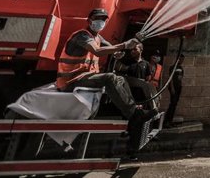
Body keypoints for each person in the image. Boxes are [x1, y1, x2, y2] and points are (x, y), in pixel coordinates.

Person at [56, 8, 156, 153]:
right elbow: (96, 51)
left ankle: (134, 109)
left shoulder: (98, 37)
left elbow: (110, 47)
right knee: (110, 77)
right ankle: (134, 115)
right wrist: (123, 46)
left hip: (84, 78)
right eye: (97, 18)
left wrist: (125, 47)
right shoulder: (83, 36)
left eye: (103, 19)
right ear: (89, 21)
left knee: (120, 79)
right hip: (71, 81)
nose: (100, 22)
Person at [114, 42, 157, 110]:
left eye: (135, 49)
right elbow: (119, 73)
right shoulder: (127, 62)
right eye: (131, 50)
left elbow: (148, 77)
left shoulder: (146, 64)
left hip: (141, 93)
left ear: (141, 50)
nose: (132, 51)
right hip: (129, 92)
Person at [165, 53, 185, 127]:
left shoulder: (181, 68)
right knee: (172, 104)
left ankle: (170, 121)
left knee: (174, 104)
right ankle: (167, 121)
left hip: (178, 88)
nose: (181, 60)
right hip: (173, 88)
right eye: (180, 59)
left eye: (183, 59)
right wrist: (172, 88)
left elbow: (181, 77)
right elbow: (170, 79)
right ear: (177, 59)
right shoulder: (173, 67)